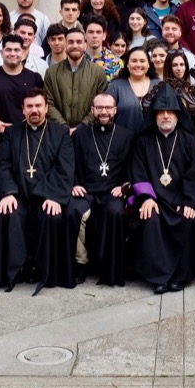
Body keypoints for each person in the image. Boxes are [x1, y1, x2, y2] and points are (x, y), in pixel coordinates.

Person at [0, 89, 75, 294]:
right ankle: (15, 271)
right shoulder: (11, 133)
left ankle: (44, 271)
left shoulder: (60, 133)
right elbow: (2, 164)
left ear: (46, 108)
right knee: (7, 213)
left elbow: (65, 167)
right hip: (18, 194)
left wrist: (54, 196)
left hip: (45, 196)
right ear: (23, 109)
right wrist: (9, 193)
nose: (34, 110)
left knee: (51, 215)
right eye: (29, 106)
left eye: (38, 106)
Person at [131, 86, 195, 294]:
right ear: (154, 115)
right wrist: (146, 197)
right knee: (151, 218)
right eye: (161, 112)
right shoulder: (143, 142)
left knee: (187, 218)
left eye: (170, 112)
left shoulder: (191, 142)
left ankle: (180, 277)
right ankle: (158, 278)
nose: (166, 116)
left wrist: (190, 201)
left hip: (181, 199)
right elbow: (138, 172)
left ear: (178, 114)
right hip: (155, 200)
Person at [68, 93, 136, 286]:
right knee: (74, 211)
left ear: (115, 110)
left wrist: (125, 186)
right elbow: (69, 162)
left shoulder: (127, 135)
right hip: (86, 191)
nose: (104, 112)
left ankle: (111, 269)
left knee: (115, 212)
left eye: (108, 108)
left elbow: (134, 167)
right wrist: (74, 183)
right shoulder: (80, 134)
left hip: (112, 191)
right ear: (92, 110)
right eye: (99, 108)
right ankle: (80, 264)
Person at [43, 29, 108, 132]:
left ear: (85, 45)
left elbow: (101, 103)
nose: (74, 46)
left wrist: (81, 127)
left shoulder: (98, 72)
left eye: (79, 42)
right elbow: (48, 103)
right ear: (65, 45)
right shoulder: (52, 73)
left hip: (89, 132)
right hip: (59, 132)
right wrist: (63, 126)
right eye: (70, 42)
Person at [0, 36, 45, 131]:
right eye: (8, 50)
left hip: (27, 134)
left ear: (22, 53)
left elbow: (42, 106)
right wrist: (0, 126)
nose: (12, 53)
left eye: (16, 50)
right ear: (1, 53)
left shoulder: (35, 78)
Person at [106, 46, 158, 133]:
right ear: (127, 64)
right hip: (123, 142)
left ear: (148, 64)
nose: (138, 65)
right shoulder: (115, 86)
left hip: (153, 142)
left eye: (142, 61)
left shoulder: (159, 84)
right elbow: (107, 114)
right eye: (134, 61)